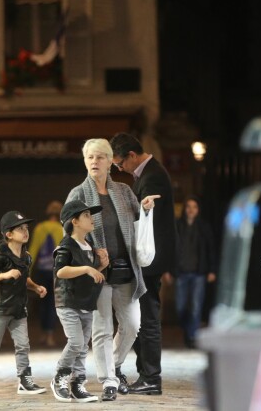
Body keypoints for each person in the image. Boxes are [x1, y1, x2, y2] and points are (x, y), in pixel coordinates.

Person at [65, 138, 149, 402]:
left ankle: (113, 365)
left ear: (110, 162)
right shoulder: (78, 194)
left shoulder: (124, 191)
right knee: (101, 329)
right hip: (97, 271)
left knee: (132, 325)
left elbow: (139, 223)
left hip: (126, 270)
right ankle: (109, 380)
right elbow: (68, 234)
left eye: (100, 157)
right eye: (89, 157)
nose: (94, 162)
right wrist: (91, 251)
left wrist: (145, 209)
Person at [110, 132, 177, 395]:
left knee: (147, 319)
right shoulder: (148, 173)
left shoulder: (153, 176)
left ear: (132, 156)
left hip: (149, 261)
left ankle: (151, 377)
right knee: (140, 319)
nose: (119, 169)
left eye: (119, 164)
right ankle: (146, 374)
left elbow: (147, 221)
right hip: (149, 260)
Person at [0, 211, 48, 396]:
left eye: (26, 228)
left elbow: (24, 278)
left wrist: (36, 287)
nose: (25, 231)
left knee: (23, 345)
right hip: (0, 308)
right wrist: (5, 274)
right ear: (8, 234)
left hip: (19, 308)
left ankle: (24, 380)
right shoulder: (0, 255)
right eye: (20, 229)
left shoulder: (26, 256)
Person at [50, 200, 107, 403]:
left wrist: (99, 267)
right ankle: (60, 377)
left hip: (86, 302)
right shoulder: (66, 245)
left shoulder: (89, 245)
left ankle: (77, 384)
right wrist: (87, 268)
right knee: (76, 342)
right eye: (86, 216)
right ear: (74, 221)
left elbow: (89, 275)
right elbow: (61, 271)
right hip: (68, 302)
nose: (92, 219)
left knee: (83, 346)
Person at [174, 196, 217, 349]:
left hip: (199, 273)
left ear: (198, 210)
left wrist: (212, 270)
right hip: (181, 272)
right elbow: (171, 249)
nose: (191, 210)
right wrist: (169, 269)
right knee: (180, 307)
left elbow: (211, 249)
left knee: (196, 307)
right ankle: (188, 330)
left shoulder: (204, 227)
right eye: (189, 206)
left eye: (195, 207)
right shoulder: (177, 225)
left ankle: (192, 335)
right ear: (184, 209)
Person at [28, 200, 64, 347]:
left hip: (42, 271)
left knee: (43, 301)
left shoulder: (39, 228)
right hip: (57, 272)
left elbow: (33, 250)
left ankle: (44, 333)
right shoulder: (62, 228)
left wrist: (27, 272)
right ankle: (50, 335)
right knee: (53, 304)